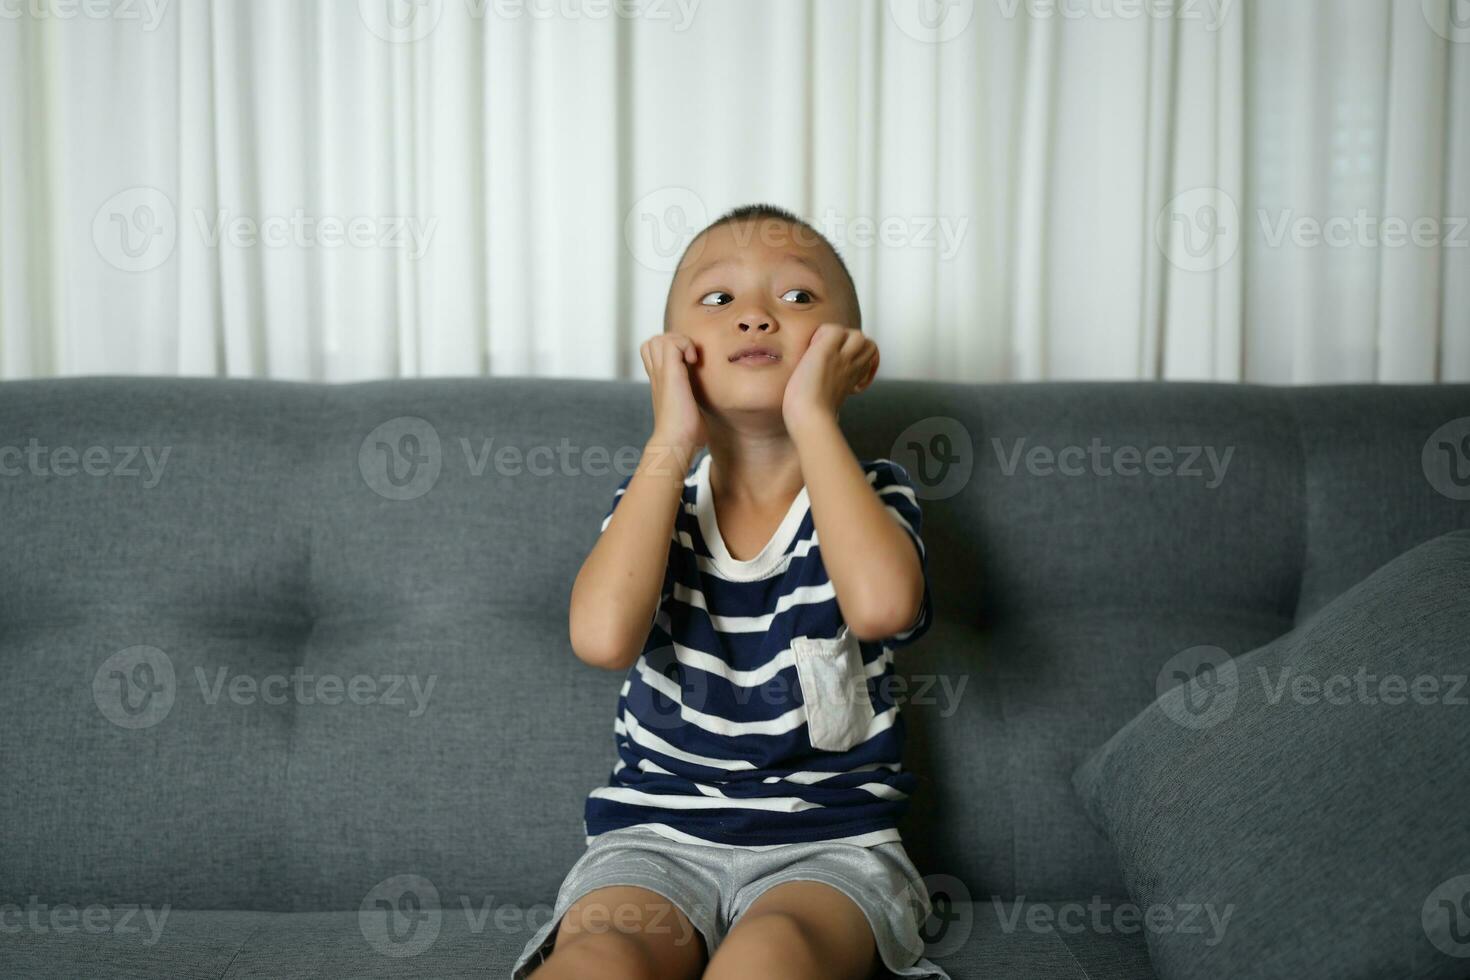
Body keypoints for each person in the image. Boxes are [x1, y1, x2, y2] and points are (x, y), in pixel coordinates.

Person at [513, 204, 945, 980]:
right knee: (600, 963)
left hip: (829, 848)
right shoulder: (658, 502)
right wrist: (670, 440)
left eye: (798, 298)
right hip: (652, 841)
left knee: (770, 961)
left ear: (855, 358)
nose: (754, 317)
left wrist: (812, 414)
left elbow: (883, 607)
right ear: (673, 357)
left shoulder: (874, 496)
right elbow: (603, 638)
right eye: (719, 301)